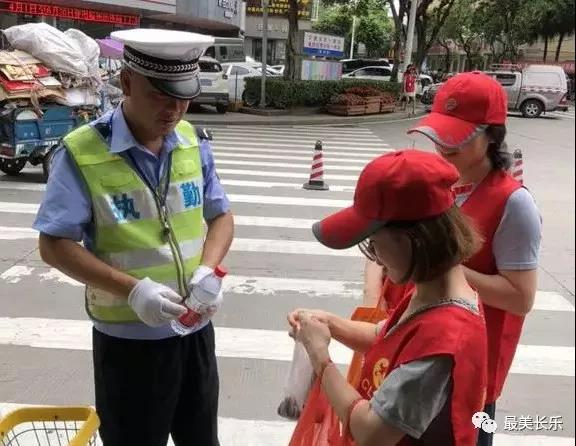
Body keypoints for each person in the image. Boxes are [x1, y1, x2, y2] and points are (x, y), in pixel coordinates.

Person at [33, 29, 234, 446]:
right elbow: (54, 244)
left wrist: (207, 270)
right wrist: (133, 290)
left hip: (194, 334)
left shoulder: (193, 142)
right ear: (126, 83)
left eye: (183, 95)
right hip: (128, 346)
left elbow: (221, 215)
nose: (175, 109)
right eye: (162, 95)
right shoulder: (82, 152)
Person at [288, 150, 488, 446]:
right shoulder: (431, 291)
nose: (376, 259)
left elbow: (372, 431)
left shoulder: (444, 340)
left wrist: (321, 358)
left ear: (415, 240)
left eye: (375, 244)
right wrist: (329, 324)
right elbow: (386, 336)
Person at [406, 71, 542, 446]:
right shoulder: (437, 183)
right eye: (440, 131)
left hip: (470, 372)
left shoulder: (513, 204)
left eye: (458, 134)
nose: (444, 143)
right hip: (416, 354)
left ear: (492, 135)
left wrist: (446, 267)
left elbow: (520, 297)